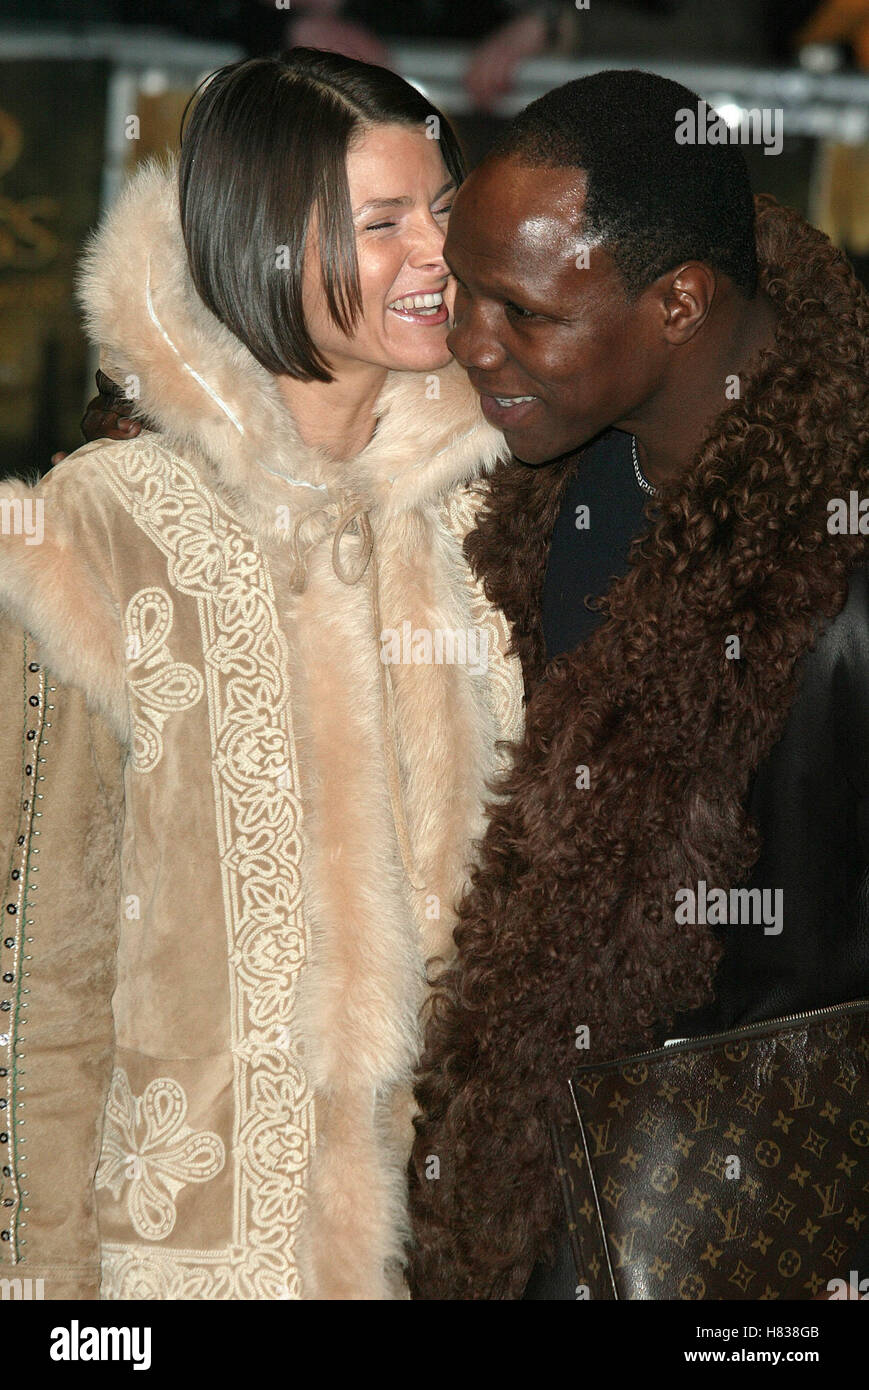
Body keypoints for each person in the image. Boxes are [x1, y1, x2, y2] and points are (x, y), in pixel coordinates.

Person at [0, 49, 523, 1301]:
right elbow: (39, 963)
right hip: (181, 1259)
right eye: (384, 222)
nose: (436, 254)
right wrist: (47, 1290)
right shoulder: (97, 532)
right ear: (264, 246)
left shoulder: (502, 512)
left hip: (450, 1246)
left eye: (443, 209)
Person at [408, 69, 869, 1299]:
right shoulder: (537, 475)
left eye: (521, 310)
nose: (466, 340)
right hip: (531, 1217)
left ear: (678, 303)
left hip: (748, 1246)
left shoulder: (836, 572)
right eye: (461, 288)